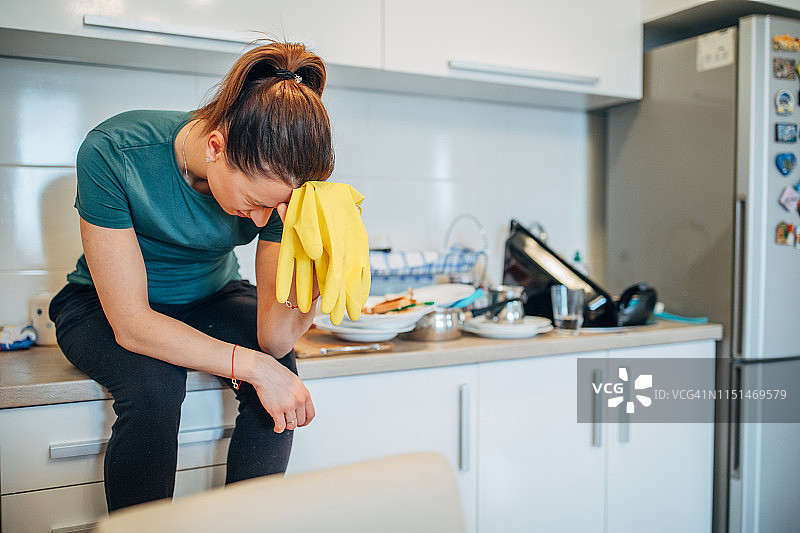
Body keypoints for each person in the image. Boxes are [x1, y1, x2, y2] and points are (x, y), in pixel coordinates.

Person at [48, 41, 334, 511]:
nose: (263, 221)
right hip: (101, 305)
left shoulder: (280, 192)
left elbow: (274, 340)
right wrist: (254, 366)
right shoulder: (114, 152)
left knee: (276, 381)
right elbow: (132, 323)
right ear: (216, 147)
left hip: (213, 296)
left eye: (275, 208)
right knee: (155, 385)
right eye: (257, 204)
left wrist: (316, 275)